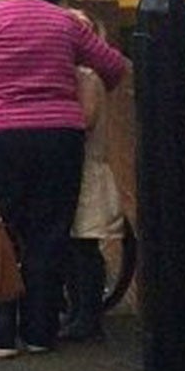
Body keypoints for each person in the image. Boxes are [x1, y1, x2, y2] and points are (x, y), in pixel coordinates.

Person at [0, 0, 128, 357]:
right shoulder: (64, 23)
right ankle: (40, 331)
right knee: (49, 232)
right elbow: (114, 66)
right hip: (58, 135)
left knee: (0, 226)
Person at [60, 65, 126, 343]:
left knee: (85, 247)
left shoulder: (87, 77)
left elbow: (85, 119)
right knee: (75, 247)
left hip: (87, 171)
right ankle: (79, 312)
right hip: (77, 169)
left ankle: (88, 318)